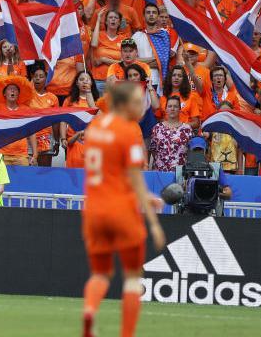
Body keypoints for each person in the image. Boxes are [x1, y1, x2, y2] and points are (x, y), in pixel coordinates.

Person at [80, 82, 166, 337]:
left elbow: (110, 172)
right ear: (122, 103)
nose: (142, 107)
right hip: (121, 211)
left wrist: (146, 196)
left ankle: (89, 312)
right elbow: (136, 179)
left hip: (94, 211)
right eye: (137, 101)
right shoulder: (128, 131)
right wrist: (154, 223)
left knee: (101, 274)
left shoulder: (95, 127)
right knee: (131, 278)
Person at [149, 95, 193, 172]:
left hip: (180, 172)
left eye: (175, 106)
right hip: (160, 172)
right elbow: (153, 150)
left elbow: (190, 151)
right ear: (165, 109)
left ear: (180, 109)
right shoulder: (157, 128)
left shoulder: (187, 129)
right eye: (170, 106)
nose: (172, 109)